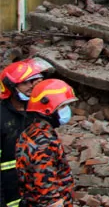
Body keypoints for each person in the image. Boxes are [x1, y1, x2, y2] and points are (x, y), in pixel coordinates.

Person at [15, 78, 77, 207]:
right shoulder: (43, 143)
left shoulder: (34, 131)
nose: (67, 110)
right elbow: (47, 193)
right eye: (63, 106)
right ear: (48, 109)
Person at [0, 58, 53, 207]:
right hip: (9, 191)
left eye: (34, 81)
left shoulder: (37, 113)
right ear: (11, 87)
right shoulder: (2, 118)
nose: (32, 86)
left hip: (36, 190)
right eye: (26, 83)